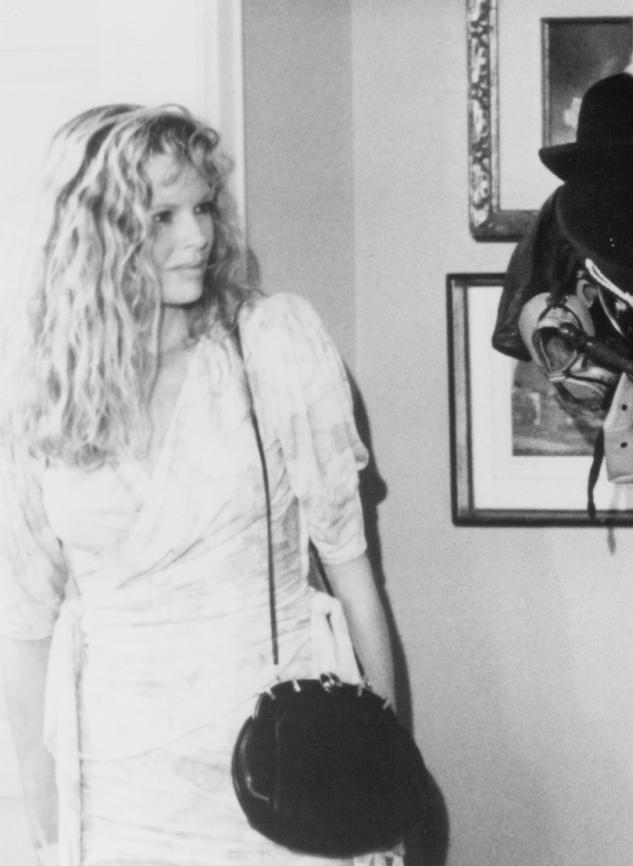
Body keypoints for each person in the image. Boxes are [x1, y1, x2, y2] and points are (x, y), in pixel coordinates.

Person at [0, 104, 399, 865]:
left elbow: (355, 582)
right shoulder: (38, 393)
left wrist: (384, 789)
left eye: (204, 207)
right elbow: (24, 630)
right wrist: (45, 823)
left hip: (286, 777)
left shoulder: (271, 344)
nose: (198, 236)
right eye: (163, 216)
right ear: (96, 234)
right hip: (121, 798)